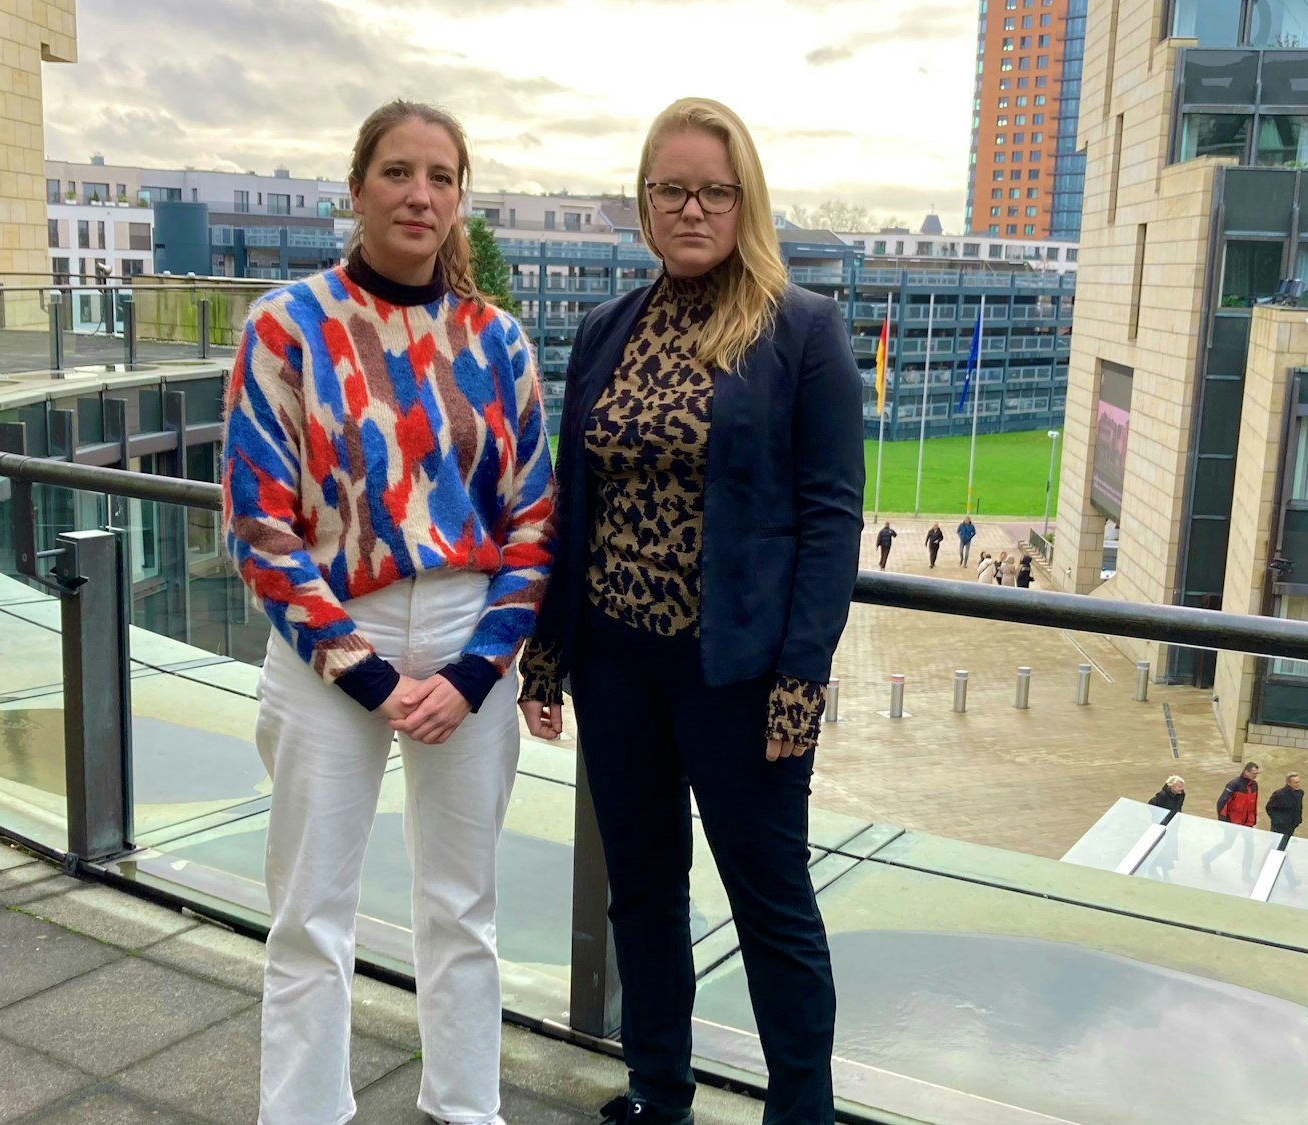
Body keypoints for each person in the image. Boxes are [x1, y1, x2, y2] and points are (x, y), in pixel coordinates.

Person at [517, 97, 861, 1125]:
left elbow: (830, 518)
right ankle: (656, 1093)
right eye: (671, 189)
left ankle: (799, 1112)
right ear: (644, 202)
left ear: (744, 200)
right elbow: (572, 501)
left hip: (740, 675)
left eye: (714, 190)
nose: (692, 208)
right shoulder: (602, 329)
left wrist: (800, 676)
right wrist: (547, 653)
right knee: (643, 895)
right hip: (616, 667)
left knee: (771, 908)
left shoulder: (800, 331)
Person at [225, 100, 555, 1125]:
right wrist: (363, 672)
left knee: (460, 908)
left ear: (459, 200)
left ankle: (465, 1109)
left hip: (466, 636)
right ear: (357, 187)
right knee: (309, 914)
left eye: (442, 178)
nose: (421, 195)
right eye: (399, 172)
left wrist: (472, 673)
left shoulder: (495, 342)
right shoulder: (285, 327)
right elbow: (260, 524)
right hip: (329, 637)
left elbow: (533, 521)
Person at [1216, 762, 1260, 827]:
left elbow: (1254, 805)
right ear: (1246, 772)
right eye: (1253, 773)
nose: (1255, 776)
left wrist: (1253, 819)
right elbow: (1222, 802)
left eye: (1257, 773)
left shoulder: (1254, 785)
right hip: (1233, 822)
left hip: (1248, 822)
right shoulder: (1234, 785)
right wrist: (1223, 821)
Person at [1266, 772, 1304, 836]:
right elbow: (1270, 808)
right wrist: (1278, 821)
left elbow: (1299, 807)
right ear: (1289, 783)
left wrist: (1298, 819)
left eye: (1298, 782)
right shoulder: (1279, 794)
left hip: (1291, 825)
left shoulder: (1300, 793)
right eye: (1295, 783)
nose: (1298, 784)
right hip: (1279, 828)